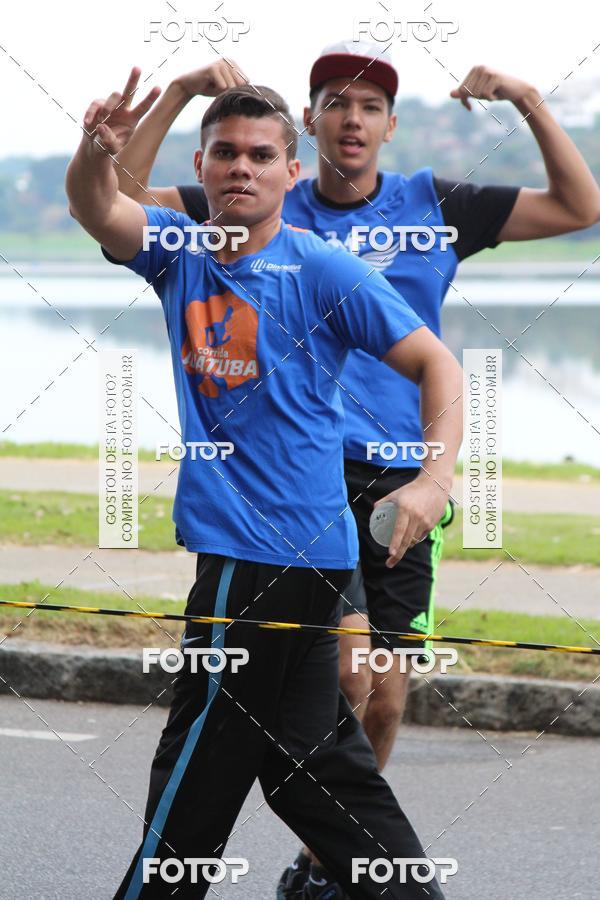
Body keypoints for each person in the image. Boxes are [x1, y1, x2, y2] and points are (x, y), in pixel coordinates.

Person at [112, 43, 600, 897]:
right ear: (309, 123)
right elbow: (118, 202)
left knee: (376, 692)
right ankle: (356, 873)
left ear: (387, 126)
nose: (353, 116)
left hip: (395, 479)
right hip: (304, 481)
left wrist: (526, 98)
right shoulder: (256, 200)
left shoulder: (431, 206)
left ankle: (331, 871)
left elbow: (578, 206)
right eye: (335, 101)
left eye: (370, 105)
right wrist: (177, 95)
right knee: (326, 691)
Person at [66, 73, 463, 899]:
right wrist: (95, 152)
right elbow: (98, 209)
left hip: (268, 566)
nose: (240, 168)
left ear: (290, 169)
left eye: (260, 154)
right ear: (203, 167)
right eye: (225, 154)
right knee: (314, 770)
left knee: (193, 791)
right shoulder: (179, 253)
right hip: (288, 565)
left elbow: (438, 364)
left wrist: (434, 479)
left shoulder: (321, 270)